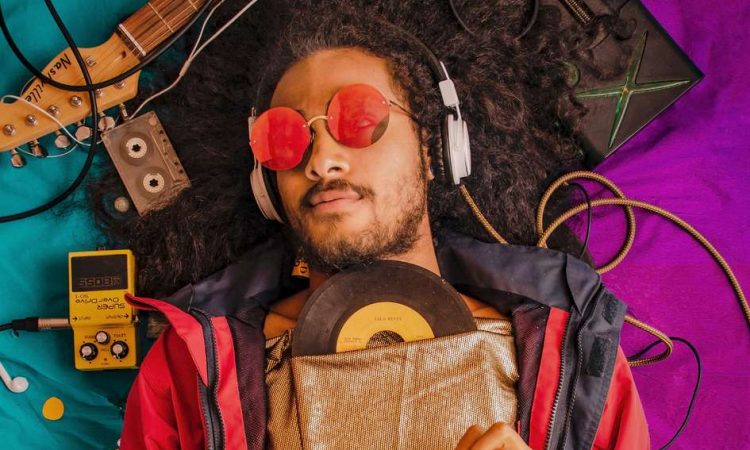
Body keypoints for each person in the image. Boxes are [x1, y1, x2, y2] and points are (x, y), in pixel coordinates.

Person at [114, 1, 649, 448]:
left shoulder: (573, 345)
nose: (321, 160)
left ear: (436, 148)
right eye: (285, 138)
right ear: (265, 185)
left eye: (358, 119)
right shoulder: (185, 369)